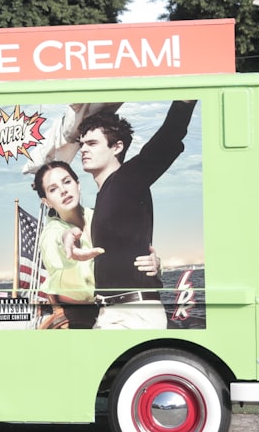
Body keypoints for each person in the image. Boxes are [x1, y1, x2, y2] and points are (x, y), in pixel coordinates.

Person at [76, 100, 197, 329]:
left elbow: (167, 138)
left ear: (117, 147)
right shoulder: (105, 195)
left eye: (92, 143)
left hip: (132, 315)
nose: (83, 149)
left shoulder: (126, 180)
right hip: (111, 312)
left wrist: (185, 101)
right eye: (81, 143)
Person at [32, 160, 162, 329]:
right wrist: (66, 239)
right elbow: (53, 245)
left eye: (67, 182)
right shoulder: (51, 232)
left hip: (118, 309)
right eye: (53, 189)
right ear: (46, 201)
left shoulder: (101, 217)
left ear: (78, 185)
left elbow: (132, 253)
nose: (63, 191)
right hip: (75, 318)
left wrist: (155, 265)